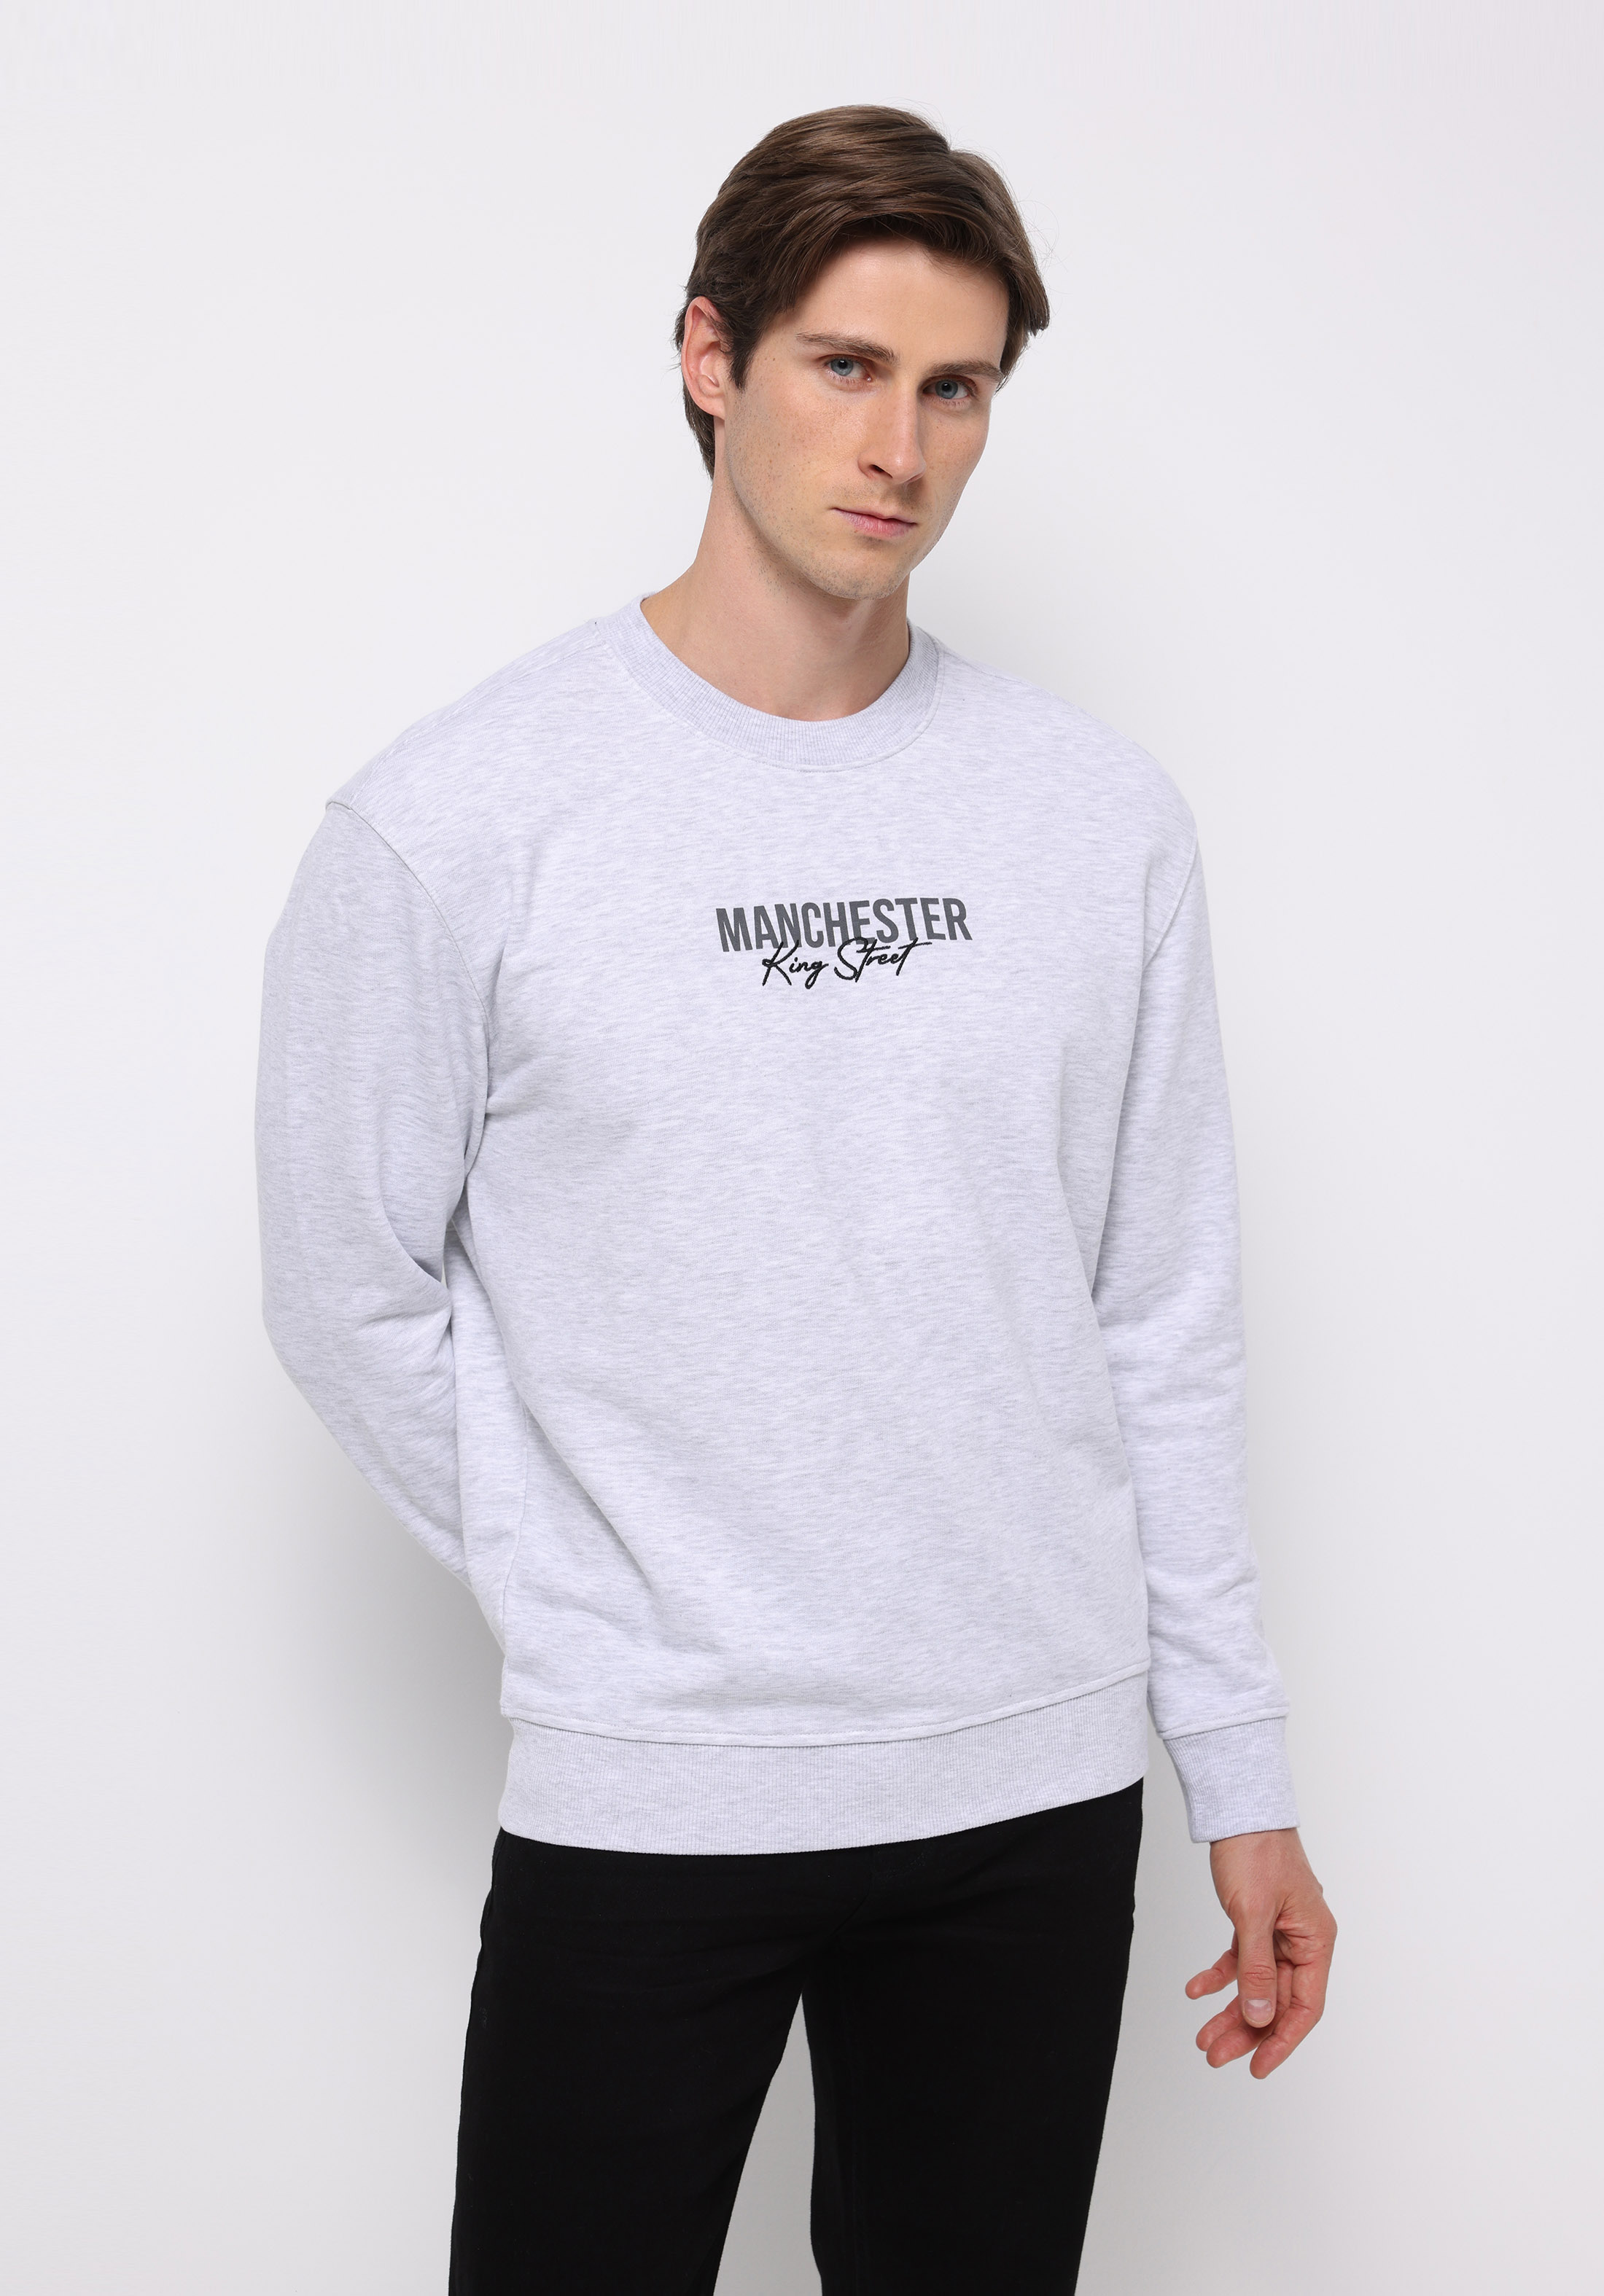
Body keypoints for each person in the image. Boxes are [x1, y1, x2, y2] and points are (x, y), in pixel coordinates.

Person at [257, 104, 1336, 2296]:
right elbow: (344, 1284)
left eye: (958, 389)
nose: (901, 447)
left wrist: (1238, 1768)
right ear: (709, 356)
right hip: (659, 1788)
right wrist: (592, 1580)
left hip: (1031, 1800)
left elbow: (1162, 1311)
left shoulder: (1098, 822)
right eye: (846, 366)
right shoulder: (458, 822)